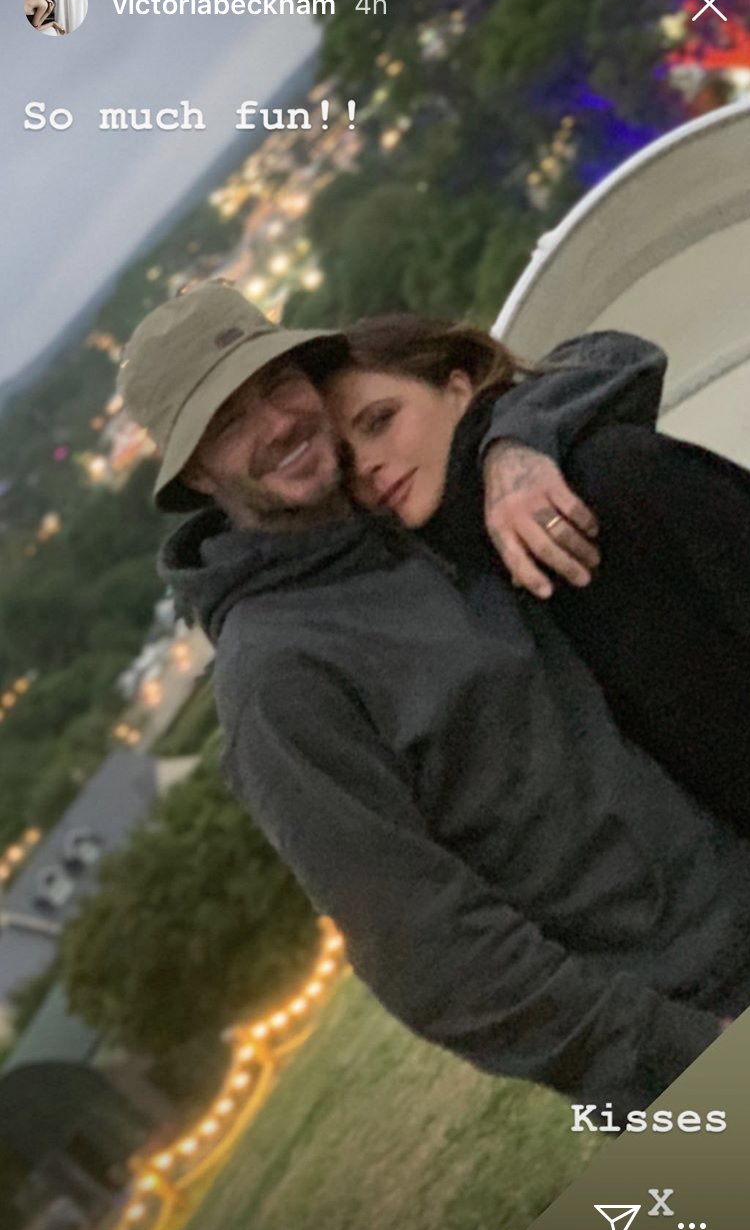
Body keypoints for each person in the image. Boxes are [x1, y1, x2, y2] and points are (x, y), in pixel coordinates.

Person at [119, 282, 750, 1120]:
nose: (275, 423)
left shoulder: (407, 519)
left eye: (276, 384)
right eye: (228, 422)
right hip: (689, 1013)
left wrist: (514, 445)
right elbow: (434, 957)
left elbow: (597, 360)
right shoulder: (275, 680)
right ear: (196, 471)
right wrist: (677, 1062)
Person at [325, 314, 750, 835]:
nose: (367, 464)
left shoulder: (607, 476)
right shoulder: (465, 601)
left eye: (380, 420)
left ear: (457, 388)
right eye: (345, 462)